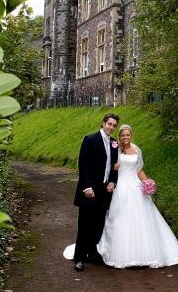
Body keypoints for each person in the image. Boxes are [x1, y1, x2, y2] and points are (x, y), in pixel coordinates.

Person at [97, 124, 178, 268]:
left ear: (131, 136)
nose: (125, 137)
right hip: (121, 185)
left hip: (135, 185)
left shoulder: (136, 149)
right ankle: (120, 253)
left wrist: (147, 182)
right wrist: (114, 172)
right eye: (123, 135)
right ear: (119, 136)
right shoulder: (115, 148)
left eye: (128, 135)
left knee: (142, 217)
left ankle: (146, 253)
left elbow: (139, 170)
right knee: (120, 217)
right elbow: (109, 166)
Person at [64, 113, 120, 272]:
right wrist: (87, 187)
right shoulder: (90, 139)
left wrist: (112, 181)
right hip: (90, 189)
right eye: (109, 124)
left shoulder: (114, 143)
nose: (111, 127)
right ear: (103, 123)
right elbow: (84, 164)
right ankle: (79, 257)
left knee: (99, 224)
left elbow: (115, 165)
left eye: (114, 125)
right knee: (85, 224)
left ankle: (91, 251)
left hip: (104, 190)